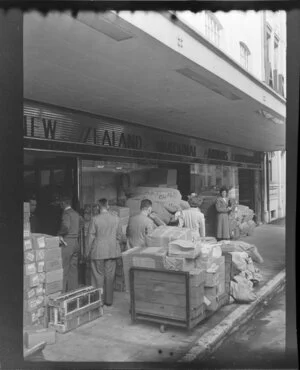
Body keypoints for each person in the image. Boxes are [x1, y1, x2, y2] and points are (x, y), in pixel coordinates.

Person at [86, 198, 122, 307]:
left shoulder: (95, 219)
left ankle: (98, 301)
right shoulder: (116, 218)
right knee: (110, 276)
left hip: (98, 252)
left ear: (98, 207)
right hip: (112, 251)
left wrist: (87, 251)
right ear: (108, 206)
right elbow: (119, 235)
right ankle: (108, 301)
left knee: (98, 276)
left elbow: (90, 237)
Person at [58, 194, 83, 292]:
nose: (60, 205)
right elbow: (82, 223)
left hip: (67, 243)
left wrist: (59, 234)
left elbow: (65, 227)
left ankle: (62, 293)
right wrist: (76, 231)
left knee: (64, 268)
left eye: (61, 203)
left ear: (64, 203)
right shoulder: (76, 214)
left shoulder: (66, 214)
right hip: (75, 243)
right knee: (73, 269)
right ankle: (73, 292)